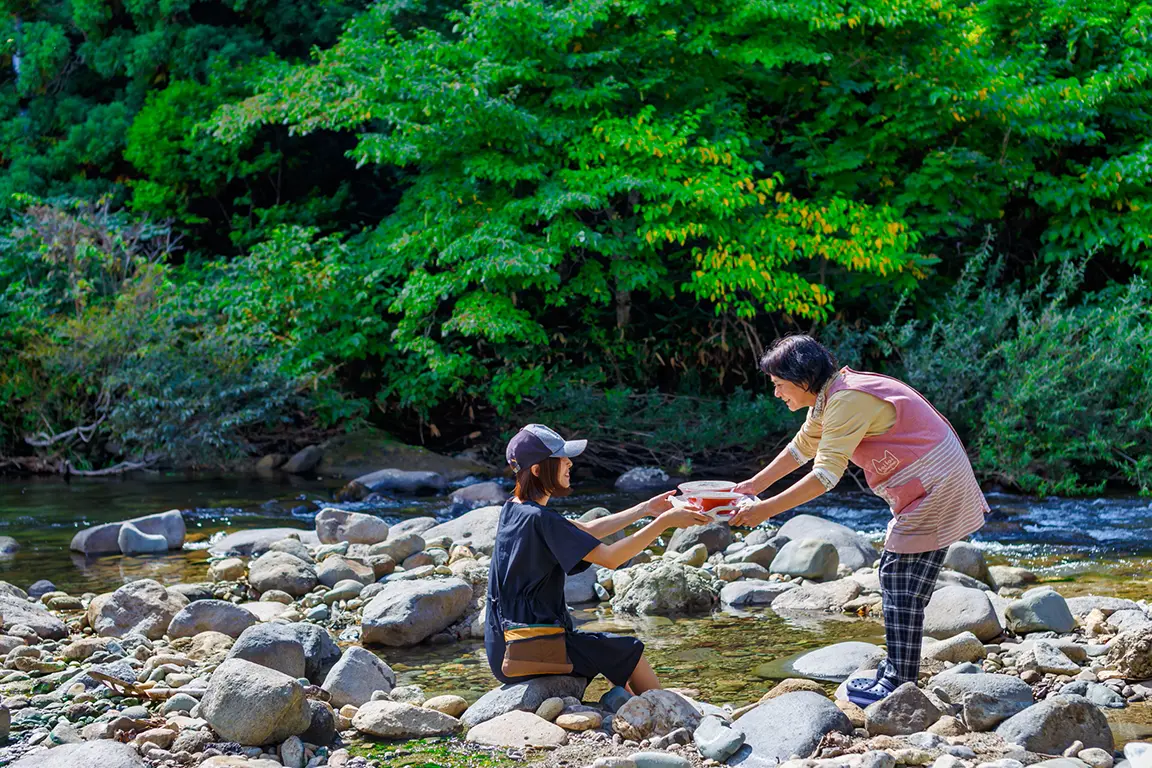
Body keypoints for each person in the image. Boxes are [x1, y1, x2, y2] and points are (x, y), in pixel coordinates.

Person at [729, 335, 988, 706]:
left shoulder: (846, 399)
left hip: (937, 482)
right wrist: (754, 485)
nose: (776, 393)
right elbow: (802, 448)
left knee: (898, 576)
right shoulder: (830, 398)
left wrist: (764, 510)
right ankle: (899, 670)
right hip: (933, 481)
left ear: (801, 378)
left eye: (778, 385)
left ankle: (899, 679)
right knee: (905, 583)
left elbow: (824, 476)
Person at [485, 423, 711, 695]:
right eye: (561, 458)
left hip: (506, 645)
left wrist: (645, 509)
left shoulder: (515, 509)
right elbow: (612, 558)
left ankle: (626, 706)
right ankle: (664, 714)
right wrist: (664, 522)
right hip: (529, 647)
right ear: (537, 470)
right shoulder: (542, 519)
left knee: (611, 655)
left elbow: (588, 531)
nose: (569, 462)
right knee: (630, 652)